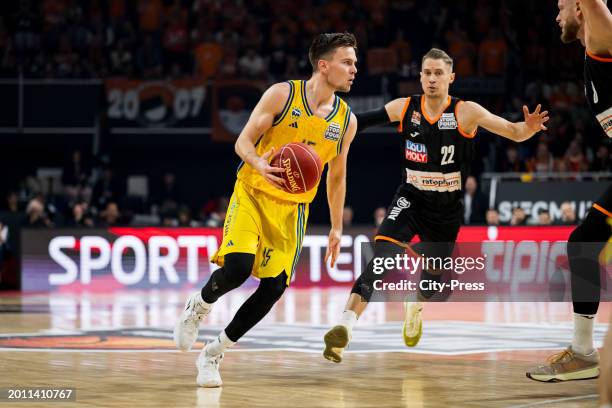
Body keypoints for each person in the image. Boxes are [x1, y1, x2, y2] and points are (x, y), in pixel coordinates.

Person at [322, 48, 549, 363]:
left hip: (445, 212)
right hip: (411, 198)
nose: (431, 79)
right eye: (426, 73)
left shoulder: (465, 112)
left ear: (451, 78)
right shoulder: (405, 107)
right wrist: (329, 126)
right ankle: (344, 326)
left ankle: (415, 303)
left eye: (438, 73)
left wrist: (529, 128)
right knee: (381, 262)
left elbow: (512, 131)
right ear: (420, 76)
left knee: (431, 283)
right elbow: (359, 122)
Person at [174, 32, 358, 387]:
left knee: (273, 288)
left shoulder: (345, 121)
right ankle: (199, 304)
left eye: (354, 63)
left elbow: (336, 177)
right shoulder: (282, 94)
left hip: (292, 211)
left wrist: (336, 227)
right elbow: (243, 140)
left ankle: (213, 352)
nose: (354, 69)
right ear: (324, 65)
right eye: (347, 62)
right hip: (253, 193)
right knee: (239, 268)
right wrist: (258, 163)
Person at [526, 0, 612, 384]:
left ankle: (583, 353)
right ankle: (582, 353)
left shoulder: (602, 34)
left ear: (580, 8)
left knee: (584, 242)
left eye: (560, 6)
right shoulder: (593, 51)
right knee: (584, 243)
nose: (555, 15)